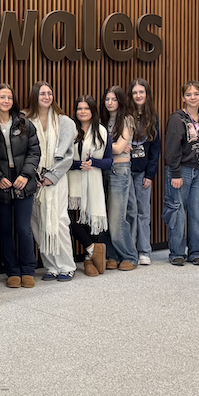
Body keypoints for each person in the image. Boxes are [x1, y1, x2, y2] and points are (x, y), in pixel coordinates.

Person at [0, 83, 40, 289]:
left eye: (9, 97)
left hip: (23, 179)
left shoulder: (24, 122)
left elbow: (35, 151)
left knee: (24, 228)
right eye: (2, 97)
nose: (6, 101)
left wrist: (26, 175)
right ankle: (12, 271)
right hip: (1, 181)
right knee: (6, 229)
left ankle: (27, 269)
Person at [24, 81, 78, 281]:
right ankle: (51, 266)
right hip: (34, 180)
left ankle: (67, 265)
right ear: (34, 97)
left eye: (49, 93)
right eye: (42, 94)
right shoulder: (26, 119)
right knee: (37, 222)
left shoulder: (65, 121)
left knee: (59, 221)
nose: (46, 97)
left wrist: (50, 177)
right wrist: (34, 176)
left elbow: (68, 155)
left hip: (56, 180)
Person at [163, 81, 199, 266]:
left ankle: (197, 252)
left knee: (198, 212)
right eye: (188, 94)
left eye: (196, 94)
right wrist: (175, 173)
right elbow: (171, 148)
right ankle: (177, 252)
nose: (192, 97)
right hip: (180, 170)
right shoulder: (177, 118)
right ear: (183, 97)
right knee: (177, 210)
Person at [68, 96, 112, 278]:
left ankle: (89, 258)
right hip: (72, 181)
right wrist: (79, 165)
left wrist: (94, 162)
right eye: (79, 108)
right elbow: (63, 159)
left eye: (86, 108)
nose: (83, 111)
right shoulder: (71, 130)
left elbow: (109, 161)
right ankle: (94, 249)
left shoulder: (101, 131)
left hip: (93, 180)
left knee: (91, 220)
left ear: (93, 111)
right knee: (69, 220)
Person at [100, 86, 138, 271]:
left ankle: (130, 255)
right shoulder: (103, 120)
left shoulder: (126, 120)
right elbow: (113, 147)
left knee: (117, 218)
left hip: (120, 170)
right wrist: (114, 146)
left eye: (113, 99)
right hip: (103, 170)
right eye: (107, 99)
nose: (109, 102)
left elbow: (117, 148)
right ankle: (112, 255)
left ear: (120, 101)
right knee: (105, 216)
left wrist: (108, 146)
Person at [128, 78, 161, 266]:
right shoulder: (126, 116)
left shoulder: (152, 118)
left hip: (143, 173)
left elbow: (155, 149)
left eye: (142, 92)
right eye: (135, 93)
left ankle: (144, 251)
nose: (138, 95)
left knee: (143, 212)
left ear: (147, 95)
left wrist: (150, 174)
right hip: (126, 171)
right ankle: (131, 251)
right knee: (130, 212)